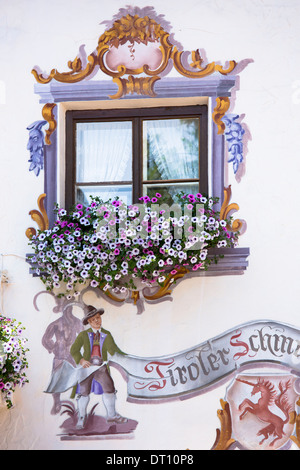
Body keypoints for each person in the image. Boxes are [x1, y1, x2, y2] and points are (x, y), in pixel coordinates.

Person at [70, 304, 127, 429]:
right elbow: (74, 350)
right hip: (86, 368)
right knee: (83, 391)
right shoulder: (84, 335)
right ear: (89, 322)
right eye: (93, 319)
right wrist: (81, 360)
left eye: (98, 318)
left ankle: (111, 415)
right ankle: (81, 417)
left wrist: (124, 356)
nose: (97, 321)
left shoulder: (106, 334)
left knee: (109, 388)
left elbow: (114, 350)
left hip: (101, 367)